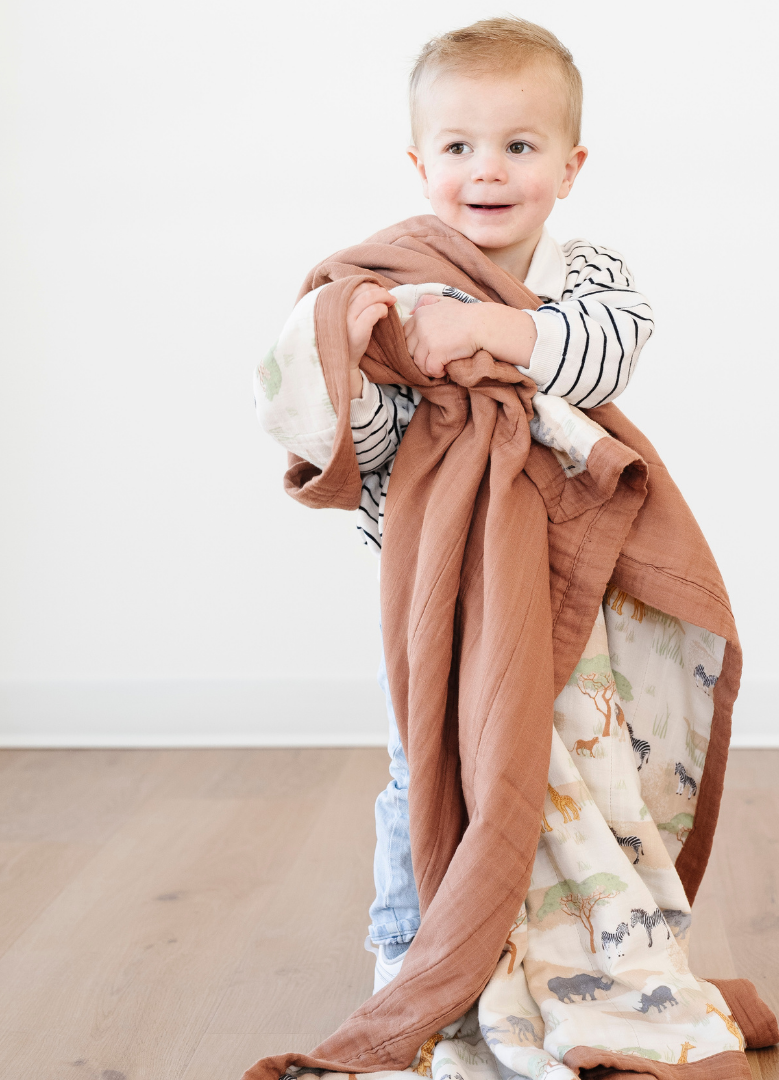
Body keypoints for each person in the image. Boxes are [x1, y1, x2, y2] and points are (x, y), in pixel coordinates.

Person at [255, 16, 655, 993]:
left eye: (521, 146)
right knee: (421, 769)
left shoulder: (585, 275)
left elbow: (606, 346)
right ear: (418, 161)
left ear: (569, 166)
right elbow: (380, 455)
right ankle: (408, 953)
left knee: (579, 769)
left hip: (565, 566)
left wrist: (478, 328)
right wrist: (362, 365)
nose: (489, 170)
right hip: (436, 575)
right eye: (459, 147)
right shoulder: (391, 287)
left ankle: (574, 949)